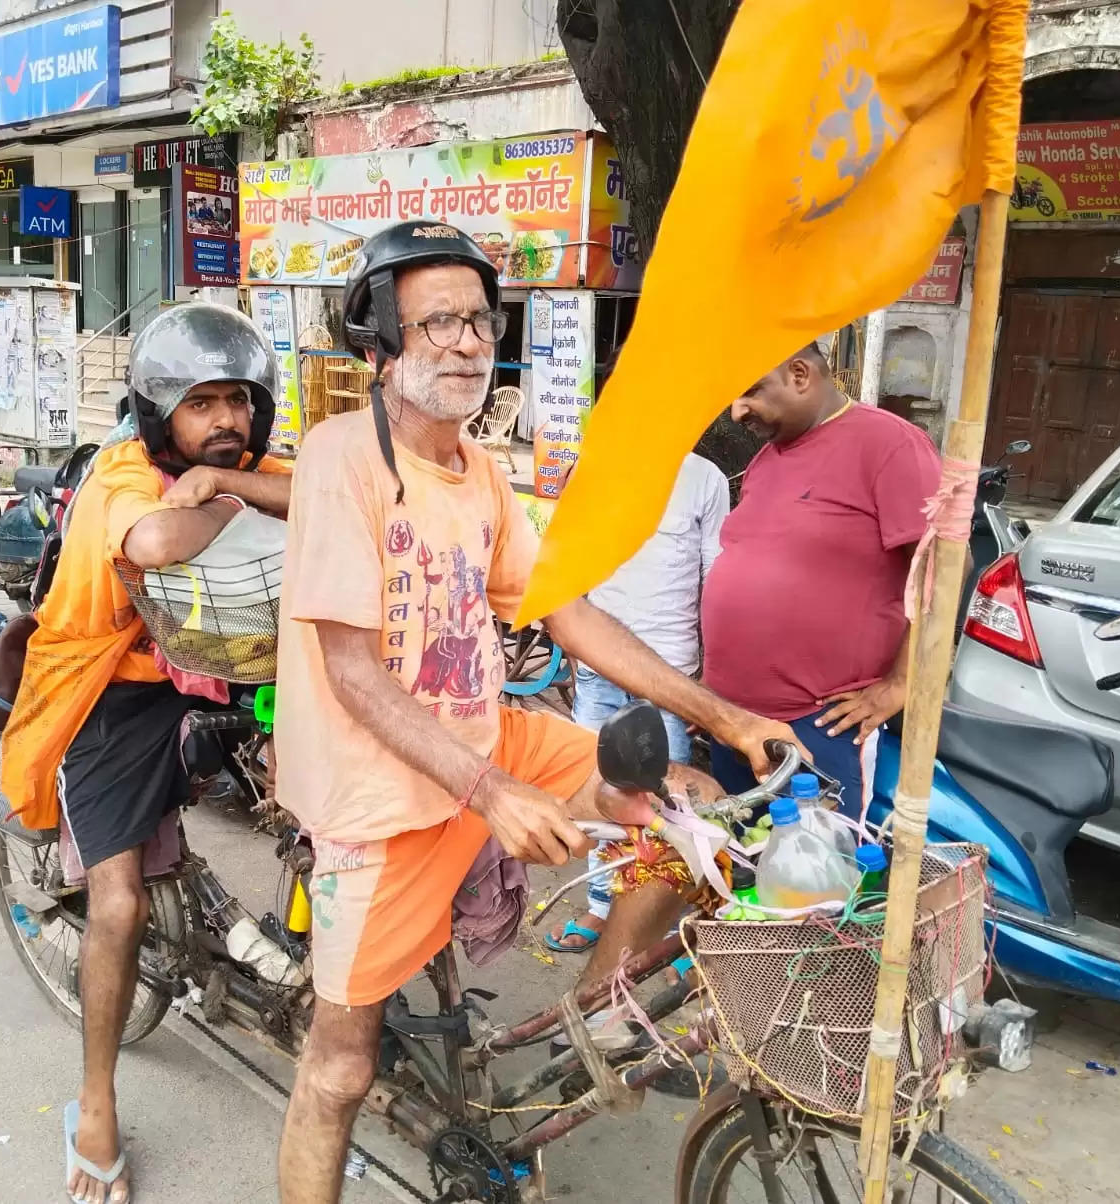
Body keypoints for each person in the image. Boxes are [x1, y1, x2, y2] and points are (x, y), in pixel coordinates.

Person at [271, 221, 802, 1204]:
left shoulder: (479, 471)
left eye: (478, 320)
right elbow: (351, 669)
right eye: (438, 323)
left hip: (489, 735)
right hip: (376, 795)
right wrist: (491, 791)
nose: (469, 342)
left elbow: (565, 609)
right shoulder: (339, 457)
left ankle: (600, 1016)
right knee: (340, 1065)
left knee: (686, 802)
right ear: (379, 344)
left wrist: (719, 717)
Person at [0, 303, 294, 1204]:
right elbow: (156, 540)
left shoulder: (245, 465)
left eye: (238, 401)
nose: (226, 422)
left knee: (330, 809)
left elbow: (350, 490)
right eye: (201, 405)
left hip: (225, 667)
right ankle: (94, 1105)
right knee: (119, 903)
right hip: (111, 690)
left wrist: (232, 486)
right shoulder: (123, 474)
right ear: (160, 412)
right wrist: (228, 495)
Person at [701, 342, 942, 819]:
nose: (736, 411)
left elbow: (943, 570)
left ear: (799, 373)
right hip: (735, 721)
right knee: (741, 876)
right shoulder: (768, 458)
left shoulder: (890, 444)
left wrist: (902, 681)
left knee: (811, 880)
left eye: (750, 392)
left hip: (819, 728)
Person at [549, 451, 729, 954]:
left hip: (669, 674)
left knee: (666, 806)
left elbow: (715, 578)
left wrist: (707, 676)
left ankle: (659, 926)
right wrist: (570, 642)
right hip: (599, 672)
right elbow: (569, 556)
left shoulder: (705, 478)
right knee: (599, 797)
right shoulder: (592, 468)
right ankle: (602, 906)